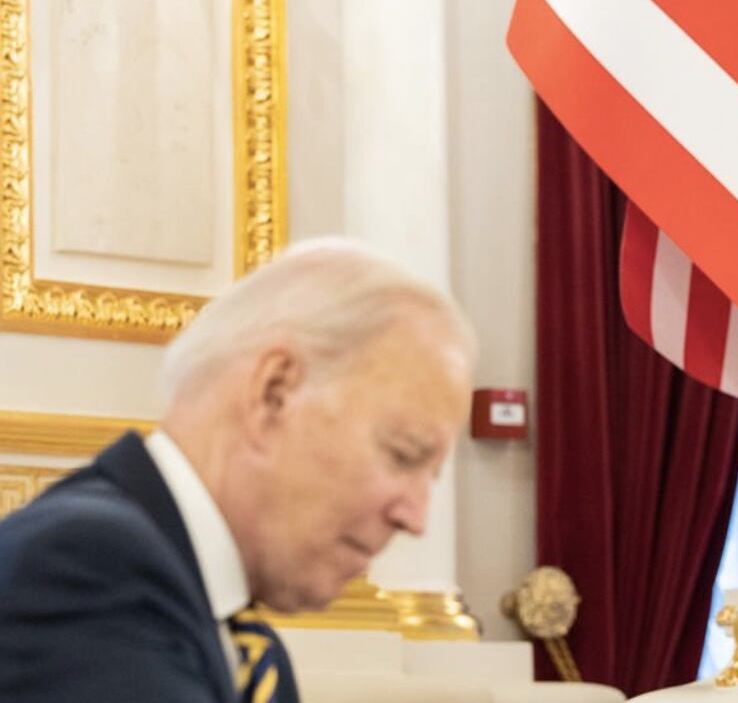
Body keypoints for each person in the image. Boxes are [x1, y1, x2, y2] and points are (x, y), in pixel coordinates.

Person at [0, 238, 475, 702]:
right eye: (402, 455)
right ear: (274, 392)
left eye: (430, 477)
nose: (415, 518)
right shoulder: (88, 570)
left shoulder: (252, 653)